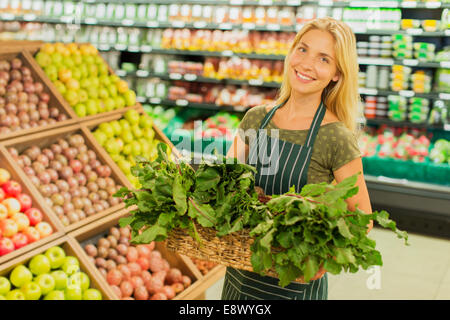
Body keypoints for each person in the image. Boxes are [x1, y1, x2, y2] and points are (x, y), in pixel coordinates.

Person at [222, 17, 373, 300]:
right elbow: (224, 185)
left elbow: (363, 218)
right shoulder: (256, 119)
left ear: (337, 74)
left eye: (323, 59)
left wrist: (327, 257)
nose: (306, 64)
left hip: (295, 286)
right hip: (240, 280)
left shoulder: (335, 136)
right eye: (302, 49)